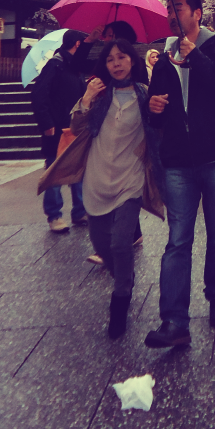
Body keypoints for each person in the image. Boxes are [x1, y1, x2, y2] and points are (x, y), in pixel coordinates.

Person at [39, 39, 164, 338]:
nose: (117, 63)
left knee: (122, 243)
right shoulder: (98, 93)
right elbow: (77, 128)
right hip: (96, 179)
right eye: (110, 59)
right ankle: (123, 275)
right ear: (104, 65)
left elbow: (158, 130)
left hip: (129, 179)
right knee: (100, 244)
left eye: (122, 57)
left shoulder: (144, 95)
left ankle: (120, 300)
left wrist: (158, 110)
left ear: (132, 61)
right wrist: (85, 100)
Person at [144, 0, 215, 348]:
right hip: (178, 160)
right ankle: (174, 320)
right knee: (177, 240)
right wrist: (153, 107)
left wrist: (197, 57)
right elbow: (155, 113)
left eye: (179, 7)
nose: (172, 14)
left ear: (197, 13)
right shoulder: (166, 55)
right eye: (169, 9)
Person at [31, 29, 90, 233]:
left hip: (75, 127)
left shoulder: (75, 68)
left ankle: (80, 211)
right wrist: (47, 124)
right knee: (55, 170)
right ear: (77, 45)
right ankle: (54, 215)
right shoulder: (55, 65)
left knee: (78, 169)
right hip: (56, 127)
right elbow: (39, 95)